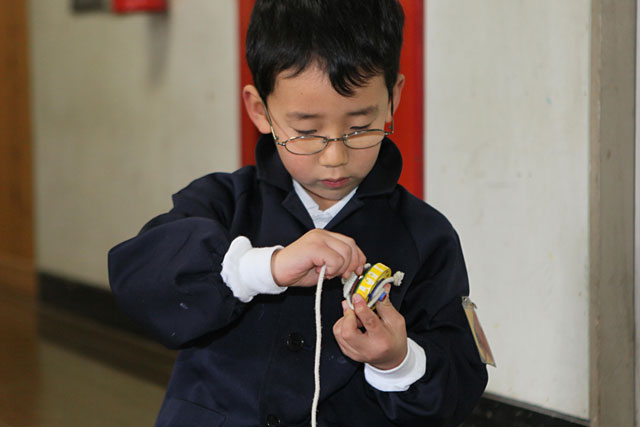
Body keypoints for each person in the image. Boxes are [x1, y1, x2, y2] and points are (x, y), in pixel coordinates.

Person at [108, 0, 488, 425]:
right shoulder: (223, 203)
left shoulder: (426, 237)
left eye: (360, 126)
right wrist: (263, 268)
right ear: (260, 111)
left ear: (392, 99)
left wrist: (397, 362)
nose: (335, 157)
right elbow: (139, 279)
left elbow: (460, 380)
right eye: (306, 131)